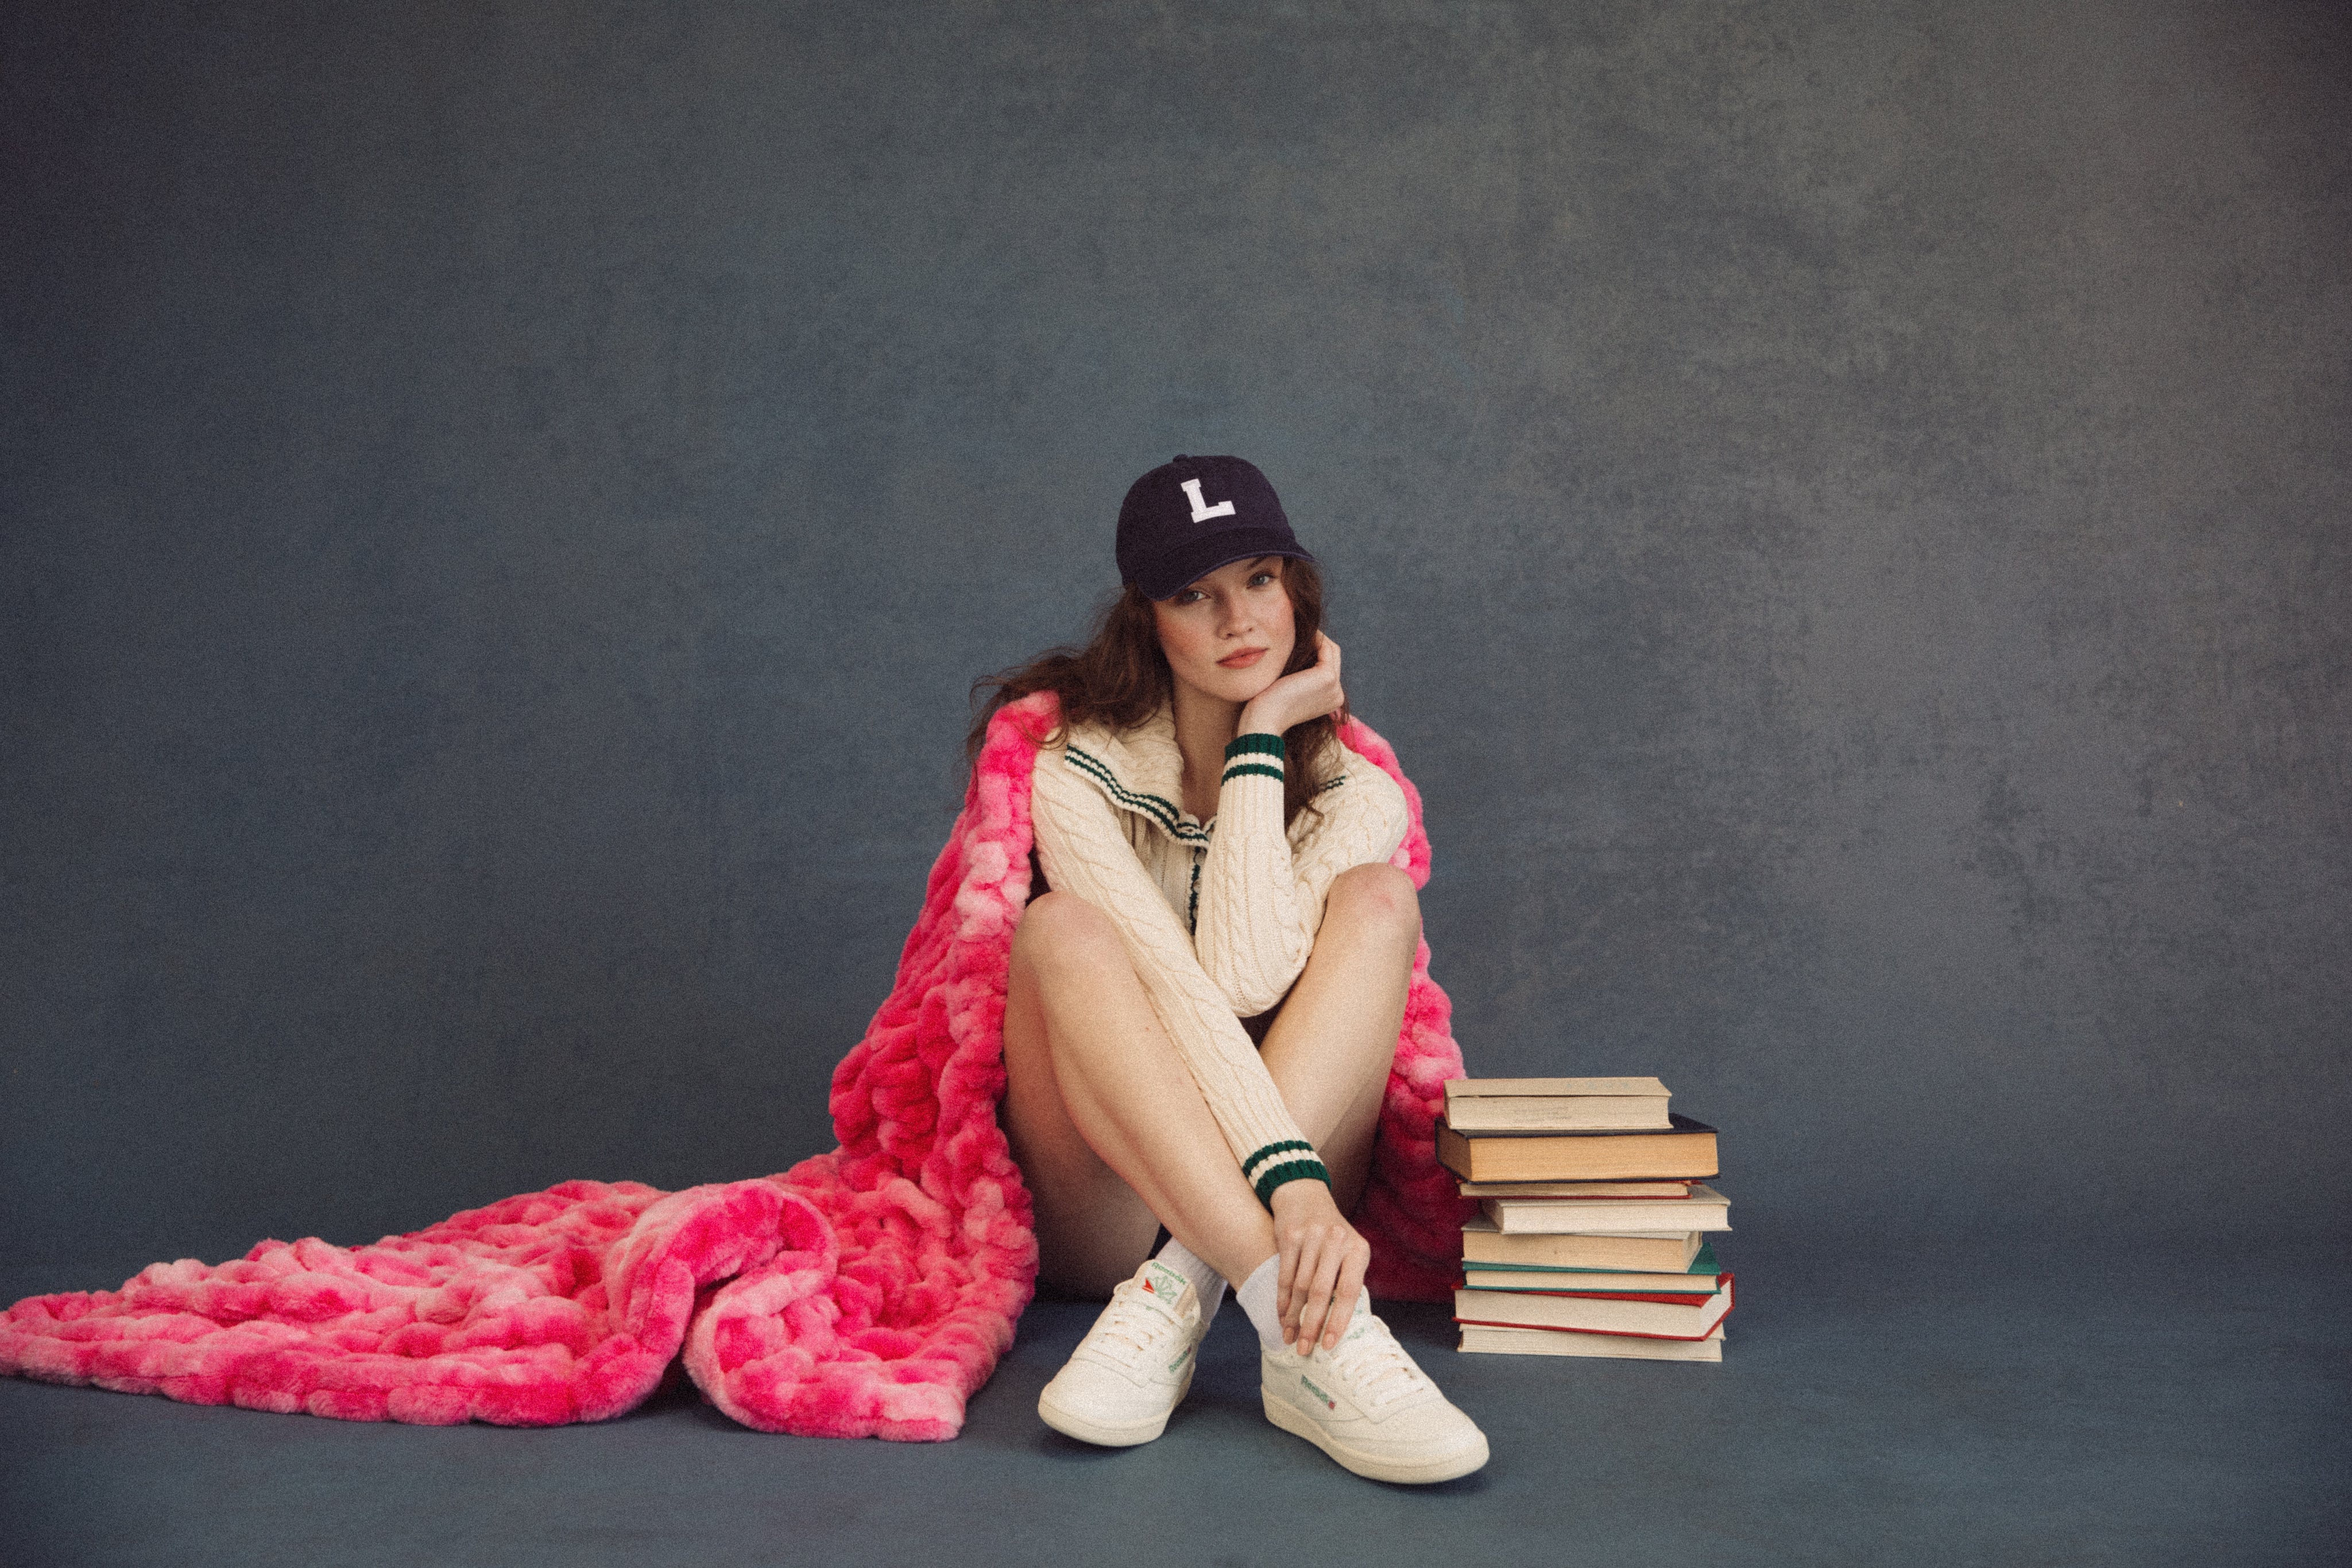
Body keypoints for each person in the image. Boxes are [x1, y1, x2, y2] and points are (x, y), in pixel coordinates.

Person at [969, 455, 1488, 1484]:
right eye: (1192, 595)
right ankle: (1302, 1332)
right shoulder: (1076, 768)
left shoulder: (1358, 796)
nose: (1239, 620)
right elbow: (1183, 986)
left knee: (1382, 899)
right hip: (1115, 1191)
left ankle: (1179, 1298)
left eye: (1259, 577)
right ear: (1146, 618)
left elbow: (1250, 977)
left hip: (1290, 1173)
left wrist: (1261, 743)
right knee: (1063, 930)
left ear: (1297, 588)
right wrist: (1289, 1203)